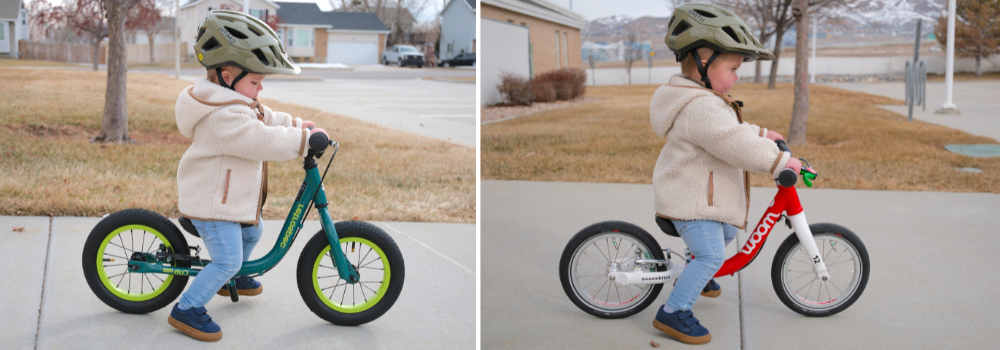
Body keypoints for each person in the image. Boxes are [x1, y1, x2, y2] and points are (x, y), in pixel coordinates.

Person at [168, 10, 328, 342]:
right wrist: (300, 143)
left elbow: (266, 118)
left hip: (227, 200)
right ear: (227, 75)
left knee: (253, 234)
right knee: (227, 260)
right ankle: (186, 308)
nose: (260, 87)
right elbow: (260, 139)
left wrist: (298, 126)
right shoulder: (223, 115)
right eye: (255, 81)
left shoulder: (237, 101)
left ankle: (234, 278)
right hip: (213, 203)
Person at [649, 3, 801, 345]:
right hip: (691, 200)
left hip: (700, 195)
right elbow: (734, 144)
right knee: (713, 255)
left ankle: (694, 273)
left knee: (728, 231)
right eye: (733, 67)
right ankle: (673, 312)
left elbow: (733, 129)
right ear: (703, 62)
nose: (737, 76)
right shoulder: (701, 107)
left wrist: (764, 135)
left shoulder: (703, 98)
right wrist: (779, 162)